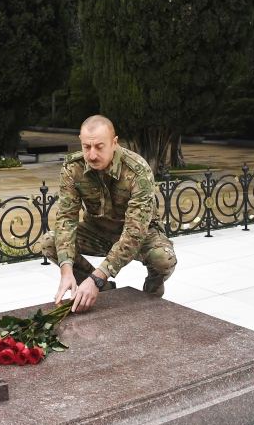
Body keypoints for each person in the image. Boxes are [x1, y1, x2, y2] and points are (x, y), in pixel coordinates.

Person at [38, 115, 177, 312]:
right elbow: (66, 219)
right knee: (50, 242)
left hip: (139, 234)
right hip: (97, 231)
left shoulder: (138, 171)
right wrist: (66, 269)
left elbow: (134, 232)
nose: (92, 155)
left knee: (163, 259)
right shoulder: (73, 168)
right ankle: (104, 288)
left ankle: (151, 295)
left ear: (114, 143)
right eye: (87, 147)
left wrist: (98, 277)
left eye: (99, 147)